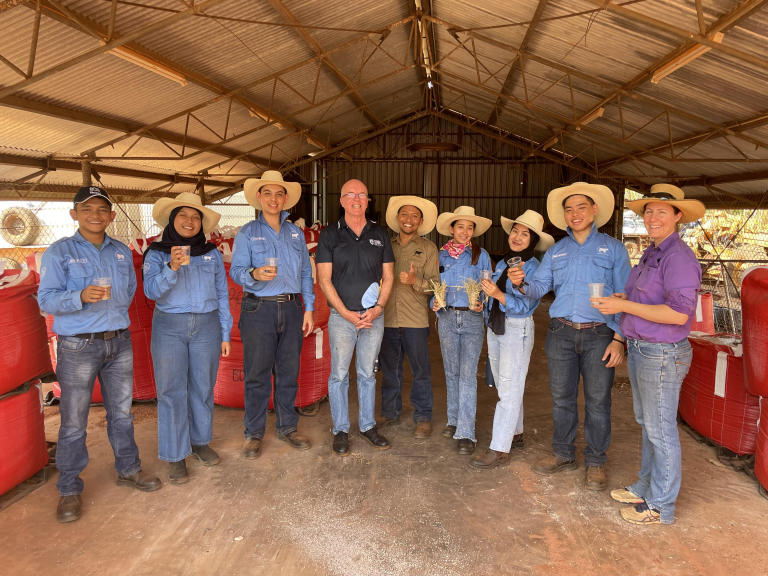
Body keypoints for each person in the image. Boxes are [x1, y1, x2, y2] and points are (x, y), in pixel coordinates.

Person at [38, 186, 161, 523]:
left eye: (102, 209)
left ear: (111, 215)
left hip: (118, 343)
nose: (96, 215)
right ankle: (69, 488)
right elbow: (45, 300)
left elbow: (130, 293)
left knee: (122, 414)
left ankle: (129, 469)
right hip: (78, 345)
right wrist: (79, 296)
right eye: (87, 208)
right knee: (74, 420)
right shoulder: (59, 252)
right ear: (74, 213)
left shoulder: (120, 252)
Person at [591, 184, 704, 524]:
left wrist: (623, 305)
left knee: (661, 429)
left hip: (663, 353)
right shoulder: (652, 252)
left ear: (677, 216)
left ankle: (660, 506)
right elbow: (644, 299)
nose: (653, 217)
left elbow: (679, 314)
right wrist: (623, 297)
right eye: (649, 211)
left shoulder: (678, 257)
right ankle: (646, 486)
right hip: (643, 348)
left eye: (662, 212)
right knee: (648, 423)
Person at [508, 183, 630, 491]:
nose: (574, 214)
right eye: (568, 209)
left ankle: (596, 462)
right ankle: (563, 453)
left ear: (594, 211)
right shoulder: (556, 251)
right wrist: (522, 284)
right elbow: (539, 287)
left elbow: (625, 296)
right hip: (561, 333)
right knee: (562, 400)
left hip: (600, 335)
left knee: (598, 402)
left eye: (580, 207)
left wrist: (619, 338)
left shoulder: (613, 249)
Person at [143, 192, 232, 484]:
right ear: (172, 220)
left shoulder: (211, 253)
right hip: (169, 325)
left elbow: (222, 294)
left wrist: (226, 331)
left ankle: (200, 443)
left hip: (207, 325)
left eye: (195, 217)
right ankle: (175, 455)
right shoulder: (157, 253)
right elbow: (151, 292)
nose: (190, 221)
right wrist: (172, 267)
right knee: (171, 391)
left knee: (203, 387)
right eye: (183, 215)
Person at [230, 171, 315, 459]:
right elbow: (236, 271)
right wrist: (254, 273)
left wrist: (309, 308)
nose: (273, 199)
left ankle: (287, 426)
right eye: (268, 193)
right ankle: (253, 433)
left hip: (292, 307)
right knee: (257, 373)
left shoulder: (295, 233)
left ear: (286, 198)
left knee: (288, 372)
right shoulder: (247, 232)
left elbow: (305, 272)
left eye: (279, 194)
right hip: (259, 307)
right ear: (259, 197)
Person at [316, 179, 395, 456]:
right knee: (338, 374)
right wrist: (345, 313)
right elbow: (324, 280)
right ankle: (340, 429)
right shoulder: (329, 235)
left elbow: (388, 276)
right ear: (341, 200)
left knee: (367, 373)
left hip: (373, 317)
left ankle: (367, 426)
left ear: (367, 200)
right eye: (350, 194)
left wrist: (379, 307)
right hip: (341, 317)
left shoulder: (380, 234)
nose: (356, 198)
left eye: (362, 193)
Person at [470, 210, 554, 470]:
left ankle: (499, 447)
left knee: (508, 388)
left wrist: (497, 294)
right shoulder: (506, 262)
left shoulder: (535, 269)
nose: (517, 236)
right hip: (496, 326)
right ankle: (515, 433)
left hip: (517, 328)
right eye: (515, 231)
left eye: (524, 233)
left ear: (534, 240)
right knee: (506, 385)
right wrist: (482, 303)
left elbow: (527, 307)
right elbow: (494, 296)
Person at [378, 196, 440, 439]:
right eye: (405, 214)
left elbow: (436, 286)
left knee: (420, 371)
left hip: (415, 321)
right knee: (390, 370)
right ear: (397, 218)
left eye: (414, 216)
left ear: (421, 221)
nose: (409, 219)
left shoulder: (428, 248)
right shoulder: (385, 245)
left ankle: (423, 416)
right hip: (387, 319)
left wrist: (417, 282)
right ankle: (390, 412)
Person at [432, 206, 492, 456]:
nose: (465, 232)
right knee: (451, 372)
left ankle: (466, 432)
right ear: (451, 229)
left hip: (472, 320)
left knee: (467, 375)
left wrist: (483, 303)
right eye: (461, 227)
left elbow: (490, 288)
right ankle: (453, 419)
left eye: (470, 228)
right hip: (446, 318)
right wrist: (434, 303)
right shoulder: (440, 256)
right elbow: (433, 284)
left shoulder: (481, 256)